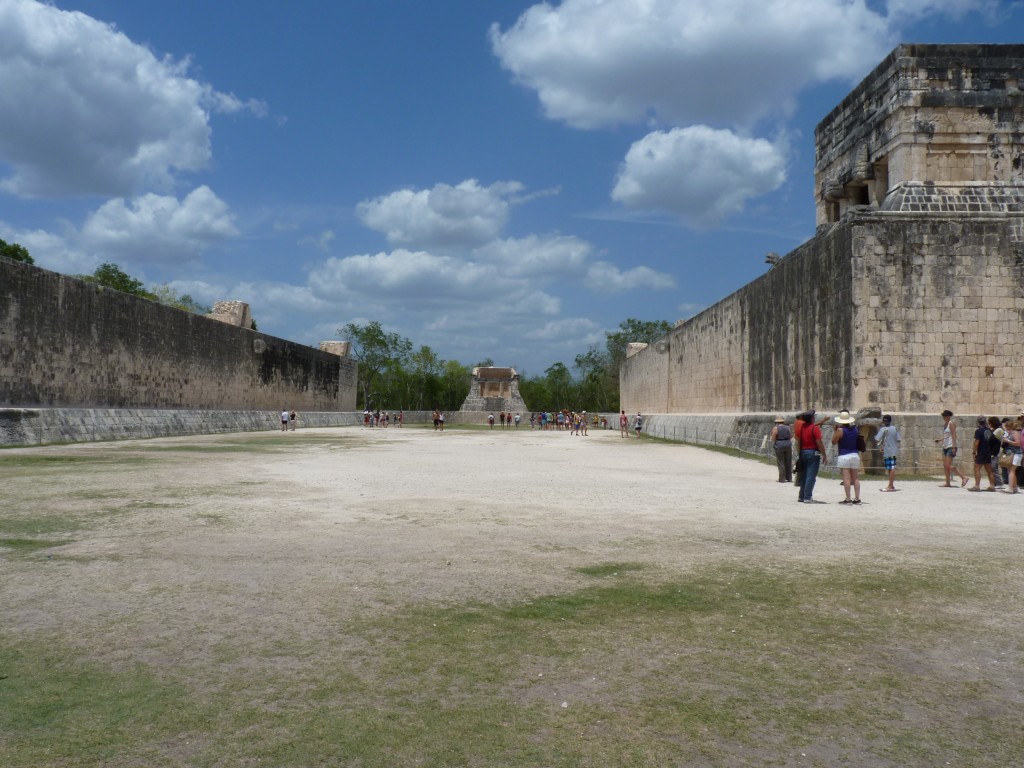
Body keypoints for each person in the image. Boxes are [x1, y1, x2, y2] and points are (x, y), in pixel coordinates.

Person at [796, 408, 828, 504]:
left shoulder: (802, 428)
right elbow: (819, 442)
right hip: (812, 452)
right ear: (812, 418)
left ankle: (801, 495)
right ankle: (807, 496)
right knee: (811, 475)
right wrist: (824, 454)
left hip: (803, 451)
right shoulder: (815, 428)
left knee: (804, 475)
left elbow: (798, 440)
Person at [832, 410, 861, 504]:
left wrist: (835, 431)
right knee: (855, 478)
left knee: (846, 479)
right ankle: (857, 498)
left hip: (844, 455)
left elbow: (834, 441)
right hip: (854, 454)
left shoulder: (840, 430)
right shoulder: (855, 429)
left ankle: (848, 499)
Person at [935, 410, 969, 487]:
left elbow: (953, 435)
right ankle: (947, 482)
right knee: (945, 465)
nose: (944, 417)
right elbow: (946, 435)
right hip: (945, 446)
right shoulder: (945, 424)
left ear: (948, 416)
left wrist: (954, 447)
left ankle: (963, 477)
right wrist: (940, 440)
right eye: (943, 416)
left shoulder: (951, 423)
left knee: (947, 465)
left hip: (950, 446)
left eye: (945, 416)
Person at [969, 415, 997, 491]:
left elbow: (977, 442)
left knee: (976, 468)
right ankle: (992, 486)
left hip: (981, 452)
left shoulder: (978, 431)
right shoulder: (989, 431)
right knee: (989, 470)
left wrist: (974, 452)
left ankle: (977, 486)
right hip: (988, 452)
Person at [875, 414, 901, 491]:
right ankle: (891, 485)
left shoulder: (883, 429)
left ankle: (890, 486)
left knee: (891, 468)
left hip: (887, 450)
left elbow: (877, 439)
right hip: (894, 450)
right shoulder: (895, 429)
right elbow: (898, 439)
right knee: (890, 468)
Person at [769, 416, 792, 483]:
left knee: (781, 462)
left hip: (779, 444)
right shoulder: (788, 427)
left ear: (776, 422)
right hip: (788, 444)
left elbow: (773, 438)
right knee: (788, 461)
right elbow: (790, 436)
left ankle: (782, 478)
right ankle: (789, 478)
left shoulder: (776, 428)